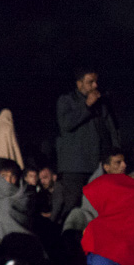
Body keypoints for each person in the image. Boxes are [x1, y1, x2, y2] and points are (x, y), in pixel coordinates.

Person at [55, 67, 120, 219]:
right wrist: (86, 106)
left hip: (98, 165)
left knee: (100, 206)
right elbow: (66, 124)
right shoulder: (67, 100)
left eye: (96, 82)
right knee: (73, 205)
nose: (95, 86)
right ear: (79, 84)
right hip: (75, 167)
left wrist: (115, 151)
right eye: (90, 82)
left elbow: (111, 128)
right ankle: (68, 238)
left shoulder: (101, 104)